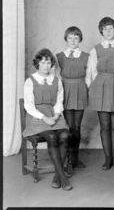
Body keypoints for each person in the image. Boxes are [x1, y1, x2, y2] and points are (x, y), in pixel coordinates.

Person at [23, 48, 72, 191]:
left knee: (64, 135)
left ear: (51, 64)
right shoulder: (30, 81)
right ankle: (63, 178)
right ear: (37, 64)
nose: (46, 65)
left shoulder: (57, 81)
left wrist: (56, 116)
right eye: (43, 62)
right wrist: (45, 118)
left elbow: (59, 102)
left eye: (48, 62)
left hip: (54, 114)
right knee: (51, 136)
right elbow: (29, 106)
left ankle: (57, 177)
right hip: (36, 116)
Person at [86, 17, 114, 170]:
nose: (108, 31)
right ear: (101, 31)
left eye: (110, 28)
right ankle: (108, 159)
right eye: (105, 29)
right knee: (105, 126)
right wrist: (94, 92)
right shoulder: (95, 50)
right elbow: (91, 73)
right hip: (101, 88)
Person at [55, 26, 89, 168]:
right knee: (69, 126)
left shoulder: (87, 56)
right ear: (66, 39)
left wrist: (85, 90)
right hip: (66, 91)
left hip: (80, 90)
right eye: (70, 37)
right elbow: (57, 78)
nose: (73, 40)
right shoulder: (59, 56)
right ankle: (66, 157)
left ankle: (75, 158)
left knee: (77, 126)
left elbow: (88, 78)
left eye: (76, 37)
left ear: (80, 39)